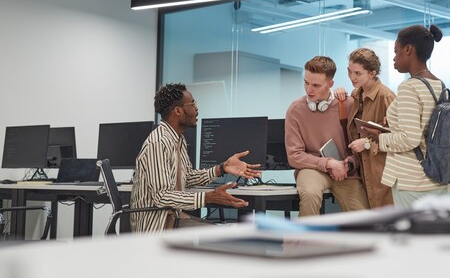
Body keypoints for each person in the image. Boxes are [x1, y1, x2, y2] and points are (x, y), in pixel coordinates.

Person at [130, 83, 261, 233]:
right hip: (156, 226)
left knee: (224, 233)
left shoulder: (177, 140)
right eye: (193, 103)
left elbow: (188, 177)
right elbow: (162, 196)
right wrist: (207, 197)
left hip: (172, 217)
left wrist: (222, 168)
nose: (196, 108)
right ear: (178, 110)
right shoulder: (159, 142)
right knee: (222, 236)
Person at [360, 25, 450, 209]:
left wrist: (379, 136)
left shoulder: (409, 87)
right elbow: (426, 129)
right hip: (438, 178)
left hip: (413, 182)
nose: (394, 58)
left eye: (396, 51)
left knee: (412, 237)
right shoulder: (439, 85)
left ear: (408, 50)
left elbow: (410, 139)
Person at [285, 56, 369, 216]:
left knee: (362, 215)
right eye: (306, 83)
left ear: (330, 84)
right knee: (309, 194)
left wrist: (348, 164)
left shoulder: (348, 105)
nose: (309, 90)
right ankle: (304, 241)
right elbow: (294, 156)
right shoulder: (295, 110)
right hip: (312, 169)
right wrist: (328, 163)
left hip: (345, 171)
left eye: (316, 85)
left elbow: (360, 147)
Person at [335, 48, 396, 208]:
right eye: (349, 72)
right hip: (362, 167)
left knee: (385, 218)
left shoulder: (386, 96)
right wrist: (339, 94)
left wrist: (367, 143)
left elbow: (398, 138)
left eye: (357, 73)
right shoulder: (356, 94)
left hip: (382, 169)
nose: (352, 77)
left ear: (372, 73)